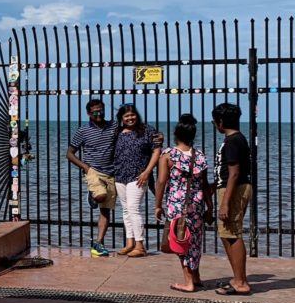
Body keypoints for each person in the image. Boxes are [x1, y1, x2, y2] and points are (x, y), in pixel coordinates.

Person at [155, 114, 214, 292]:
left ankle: (188, 282)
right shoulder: (200, 156)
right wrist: (210, 207)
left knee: (181, 241)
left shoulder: (168, 155)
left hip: (177, 204)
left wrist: (158, 205)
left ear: (176, 134)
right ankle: (196, 277)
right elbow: (204, 186)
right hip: (196, 203)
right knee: (195, 240)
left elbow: (161, 182)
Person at [67, 98, 117, 257]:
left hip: (111, 173)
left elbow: (133, 129)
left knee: (106, 211)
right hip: (93, 171)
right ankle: (94, 195)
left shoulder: (113, 126)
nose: (99, 113)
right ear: (89, 113)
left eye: (101, 110)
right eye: (95, 111)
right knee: (101, 195)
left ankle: (99, 243)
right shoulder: (83, 131)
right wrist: (85, 167)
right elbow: (69, 153)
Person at [212, 103, 253, 295]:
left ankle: (241, 282)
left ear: (220, 122)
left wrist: (225, 202)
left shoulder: (232, 141)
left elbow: (234, 174)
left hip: (233, 190)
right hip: (233, 188)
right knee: (227, 233)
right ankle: (237, 278)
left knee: (232, 233)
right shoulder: (237, 139)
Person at [112, 104, 162, 257]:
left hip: (138, 175)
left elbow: (157, 151)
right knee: (126, 210)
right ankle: (130, 243)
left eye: (132, 115)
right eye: (126, 116)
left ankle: (140, 246)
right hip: (120, 175)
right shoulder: (118, 132)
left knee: (134, 208)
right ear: (121, 118)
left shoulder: (147, 130)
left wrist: (147, 171)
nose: (130, 118)